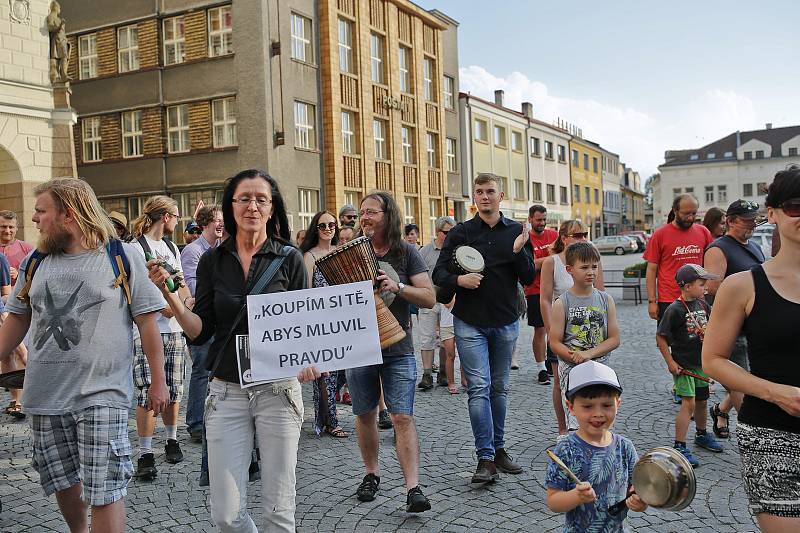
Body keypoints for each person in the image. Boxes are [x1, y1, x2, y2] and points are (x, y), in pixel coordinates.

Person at [147, 169, 318, 532]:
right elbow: (200, 330)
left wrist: (310, 358)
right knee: (225, 514)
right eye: (244, 198)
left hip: (278, 391)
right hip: (227, 391)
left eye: (261, 199)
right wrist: (172, 298)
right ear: (231, 206)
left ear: (272, 209)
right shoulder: (212, 260)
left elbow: (308, 324)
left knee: (278, 510)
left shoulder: (289, 258)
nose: (252, 206)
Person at [0, 177, 167, 532]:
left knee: (105, 488)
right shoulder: (35, 260)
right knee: (62, 480)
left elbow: (148, 323)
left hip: (102, 393)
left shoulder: (120, 255)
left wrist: (158, 381)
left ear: (68, 214)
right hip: (45, 394)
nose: (34, 219)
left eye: (41, 211)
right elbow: (17, 317)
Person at [703, 165, 800, 532]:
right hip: (773, 436)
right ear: (771, 213)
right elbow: (712, 360)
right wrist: (775, 393)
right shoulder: (743, 285)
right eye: (795, 206)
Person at [433, 173, 535, 485]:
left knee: (499, 389)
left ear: (501, 195)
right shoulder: (462, 232)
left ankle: (500, 450)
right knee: (478, 388)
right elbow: (439, 272)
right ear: (474, 197)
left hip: (505, 321)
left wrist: (518, 250)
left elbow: (529, 276)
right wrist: (458, 280)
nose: (485, 197)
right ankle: (486, 458)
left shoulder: (516, 231)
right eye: (479, 192)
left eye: (490, 191)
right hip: (470, 321)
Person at [347, 191, 435, 512]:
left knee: (401, 415)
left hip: (397, 345)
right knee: (365, 413)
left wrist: (398, 287)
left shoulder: (406, 253)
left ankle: (413, 487)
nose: (365, 217)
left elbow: (428, 297)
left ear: (388, 215)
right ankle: (371, 473)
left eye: (372, 212)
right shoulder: (353, 251)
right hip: (359, 346)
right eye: (362, 213)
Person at [129, 196, 191, 480]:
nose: (178, 221)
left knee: (175, 389)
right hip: (147, 328)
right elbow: (134, 291)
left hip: (174, 329)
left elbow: (180, 284)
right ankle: (144, 452)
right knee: (146, 392)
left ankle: (171, 439)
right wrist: (167, 307)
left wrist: (185, 304)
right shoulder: (135, 248)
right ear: (165, 217)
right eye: (176, 215)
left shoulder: (170, 247)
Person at [546, 361, 647, 531]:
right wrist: (576, 496)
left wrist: (640, 502)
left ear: (618, 404)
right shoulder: (566, 449)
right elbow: (553, 502)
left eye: (607, 405)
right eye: (587, 406)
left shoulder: (625, 448)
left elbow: (636, 491)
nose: (598, 413)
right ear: (570, 407)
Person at [703, 199, 765, 439]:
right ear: (730, 221)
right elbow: (713, 287)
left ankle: (720, 410)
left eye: (754, 221)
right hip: (731, 326)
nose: (752, 226)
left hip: (753, 324)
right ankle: (753, 431)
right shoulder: (719, 249)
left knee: (753, 378)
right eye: (747, 221)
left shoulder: (753, 245)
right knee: (740, 381)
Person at [540, 220, 605, 440]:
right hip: (561, 329)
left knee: (592, 378)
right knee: (560, 381)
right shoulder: (552, 262)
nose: (582, 238)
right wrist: (552, 332)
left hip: (589, 331)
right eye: (576, 235)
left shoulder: (593, 258)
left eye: (584, 234)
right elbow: (545, 299)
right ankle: (563, 429)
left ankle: (590, 426)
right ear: (564, 237)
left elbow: (601, 294)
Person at [657, 264, 724, 467]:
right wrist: (670, 362)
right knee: (689, 404)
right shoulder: (674, 309)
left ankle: (702, 434)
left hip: (701, 363)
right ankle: (679, 445)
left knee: (702, 402)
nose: (705, 288)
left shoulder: (702, 305)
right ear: (686, 286)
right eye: (701, 284)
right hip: (684, 365)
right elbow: (661, 337)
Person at [548, 242, 619, 434]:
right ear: (570, 270)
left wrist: (589, 354)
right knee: (577, 418)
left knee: (599, 419)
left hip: (600, 369)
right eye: (584, 267)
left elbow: (614, 339)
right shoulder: (562, 302)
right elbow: (554, 341)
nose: (591, 272)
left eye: (594, 267)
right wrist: (574, 356)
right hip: (572, 370)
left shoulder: (606, 300)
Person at [300, 211, 348, 439]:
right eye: (322, 225)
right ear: (315, 229)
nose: (328, 228)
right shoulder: (309, 256)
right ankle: (331, 421)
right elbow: (306, 293)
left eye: (331, 224)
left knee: (341, 373)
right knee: (325, 373)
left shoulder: (341, 252)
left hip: (342, 321)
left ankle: (327, 418)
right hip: (320, 322)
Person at [645, 194, 713, 322]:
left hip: (697, 298)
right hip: (669, 299)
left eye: (694, 213)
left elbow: (709, 264)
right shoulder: (660, 235)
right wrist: (652, 301)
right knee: (668, 339)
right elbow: (651, 270)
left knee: (698, 338)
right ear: (675, 210)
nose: (691, 217)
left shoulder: (703, 232)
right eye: (686, 213)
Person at [0, 210, 32, 419]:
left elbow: (34, 276)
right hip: (4, 306)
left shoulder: (26, 249)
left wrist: (18, 274)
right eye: (3, 226)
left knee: (23, 353)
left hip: (20, 307)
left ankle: (30, 395)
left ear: (17, 228)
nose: (7, 230)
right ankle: (16, 400)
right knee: (8, 354)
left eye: (11, 227)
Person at [417, 216, 456, 390]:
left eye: (452, 232)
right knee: (427, 338)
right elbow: (415, 275)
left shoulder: (456, 251)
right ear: (437, 232)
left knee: (446, 339)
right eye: (446, 232)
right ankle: (426, 374)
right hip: (429, 300)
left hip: (448, 301)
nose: (449, 236)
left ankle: (443, 372)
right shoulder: (425, 251)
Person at [522, 205, 559, 385]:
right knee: (540, 329)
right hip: (535, 289)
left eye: (544, 219)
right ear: (530, 219)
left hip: (556, 288)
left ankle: (553, 361)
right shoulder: (526, 239)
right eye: (538, 220)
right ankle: (541, 368)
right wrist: (551, 259)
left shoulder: (553, 235)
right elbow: (530, 266)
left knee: (559, 327)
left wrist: (543, 262)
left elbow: (565, 256)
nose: (542, 223)